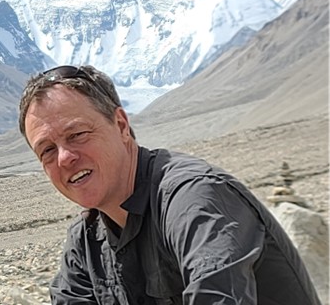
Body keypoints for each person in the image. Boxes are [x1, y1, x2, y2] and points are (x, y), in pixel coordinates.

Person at [18, 65, 322, 305]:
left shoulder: (194, 200)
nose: (65, 158)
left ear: (121, 125)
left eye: (77, 134)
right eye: (47, 150)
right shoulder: (86, 242)